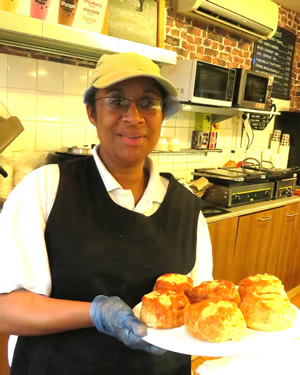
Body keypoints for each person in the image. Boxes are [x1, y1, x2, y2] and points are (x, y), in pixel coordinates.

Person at [0, 52, 213, 375]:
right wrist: (94, 313)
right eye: (116, 101)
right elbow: (6, 310)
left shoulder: (187, 209)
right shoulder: (46, 188)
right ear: (92, 112)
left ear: (162, 115)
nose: (134, 116)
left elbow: (198, 308)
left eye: (148, 103)